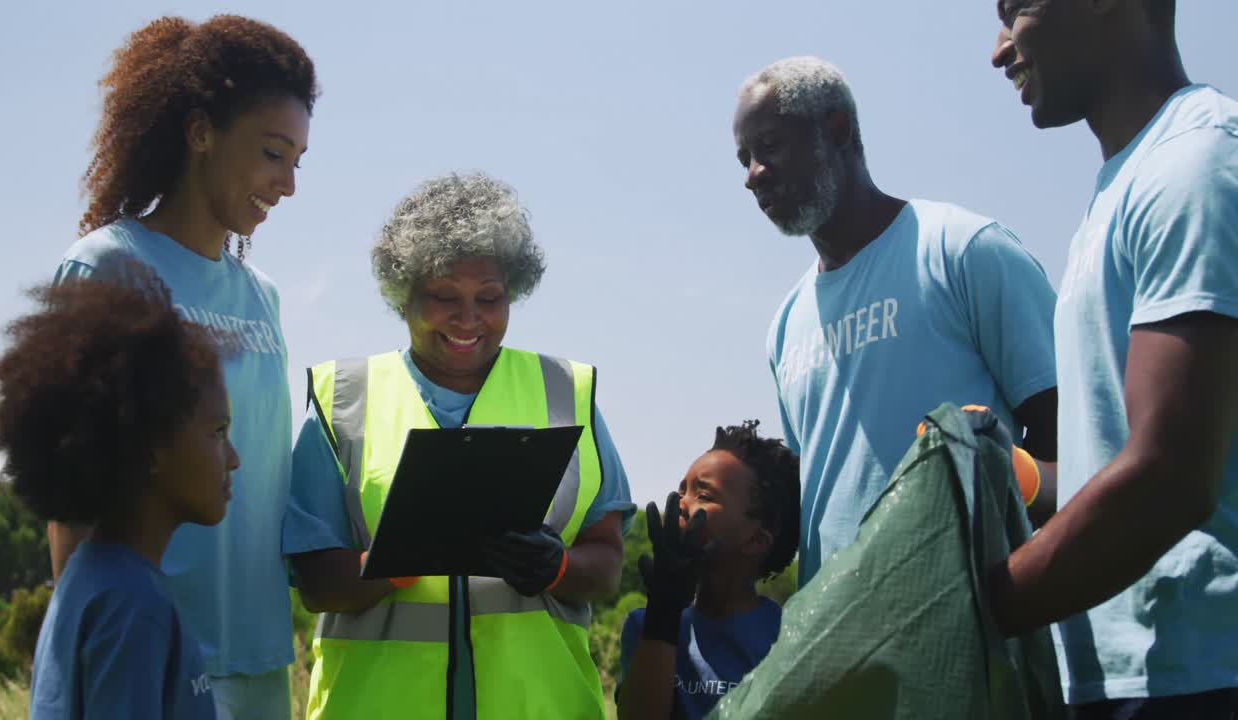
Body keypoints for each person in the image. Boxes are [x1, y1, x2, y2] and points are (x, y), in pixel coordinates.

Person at [285, 171, 636, 720]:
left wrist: (557, 567)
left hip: (540, 706)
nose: (469, 319)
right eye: (443, 296)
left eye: (490, 298)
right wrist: (401, 558)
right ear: (403, 295)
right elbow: (317, 582)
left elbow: (608, 563)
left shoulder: (569, 392)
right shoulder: (341, 399)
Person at [47, 15, 317, 719]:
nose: (287, 183)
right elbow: (72, 495)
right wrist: (88, 651)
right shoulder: (108, 268)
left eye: (298, 161)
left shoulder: (264, 299)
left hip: (258, 659)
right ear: (200, 132)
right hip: (147, 652)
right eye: (271, 153)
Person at [988, 2, 1238, 716]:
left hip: (1199, 675)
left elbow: (1170, 477)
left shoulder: (1197, 163)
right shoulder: (1122, 187)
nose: (999, 50)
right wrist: (1021, 475)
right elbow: (1132, 458)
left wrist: (980, 604)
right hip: (1122, 676)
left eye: (1016, 10)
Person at [731, 56, 1061, 588]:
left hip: (967, 638)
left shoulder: (964, 251)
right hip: (833, 646)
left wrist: (1011, 482)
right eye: (743, 159)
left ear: (836, 129)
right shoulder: (786, 325)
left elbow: (1078, 453)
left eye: (768, 148)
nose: (752, 177)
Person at [0, 267, 236, 719]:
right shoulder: (133, 605)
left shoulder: (91, 578)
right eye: (218, 433)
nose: (233, 457)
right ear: (150, 450)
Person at [617, 420, 800, 720]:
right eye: (681, 490)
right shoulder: (645, 625)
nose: (680, 503)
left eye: (703, 495)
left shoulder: (785, 637)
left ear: (755, 540)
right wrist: (662, 611)